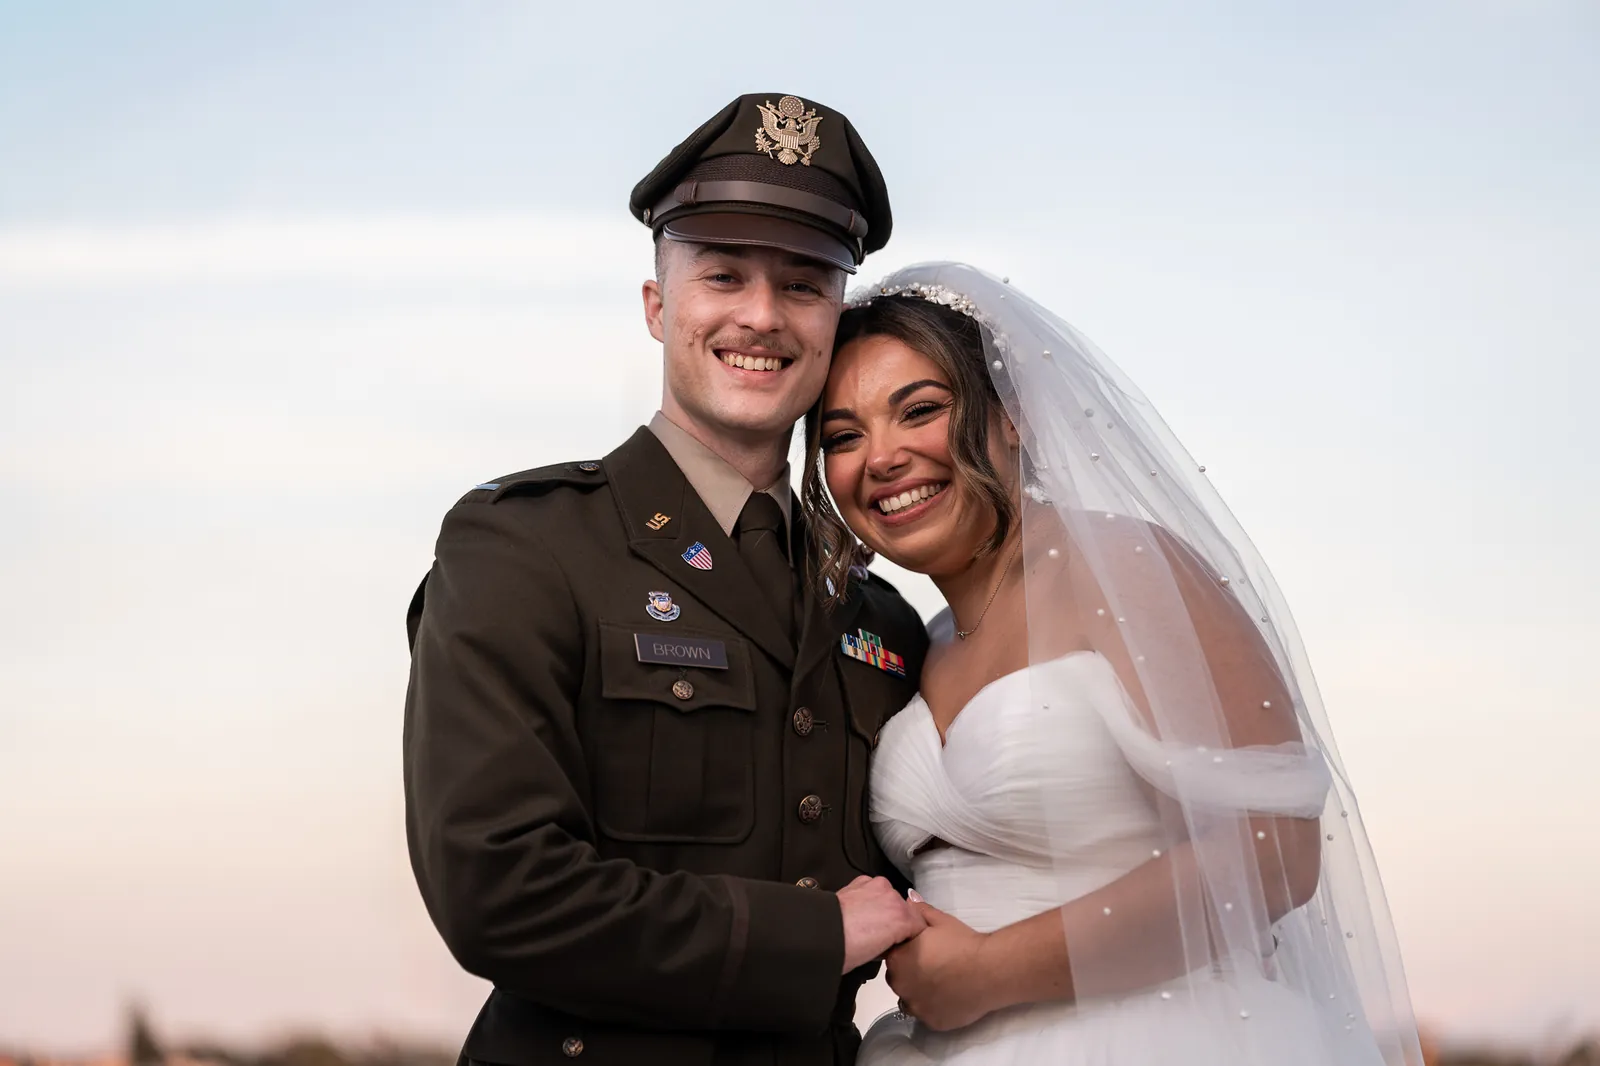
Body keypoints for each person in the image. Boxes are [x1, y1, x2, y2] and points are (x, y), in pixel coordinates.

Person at [402, 94, 930, 1066]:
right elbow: (497, 890)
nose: (761, 315)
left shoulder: (881, 618)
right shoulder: (523, 548)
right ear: (658, 306)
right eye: (722, 274)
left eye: (805, 284)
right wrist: (809, 939)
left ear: (833, 320)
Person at [803, 263, 1425, 1065]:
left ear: (1013, 416)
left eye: (919, 411)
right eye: (843, 437)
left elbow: (1275, 853)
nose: (880, 458)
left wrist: (990, 971)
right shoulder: (920, 642)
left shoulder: (1128, 568)